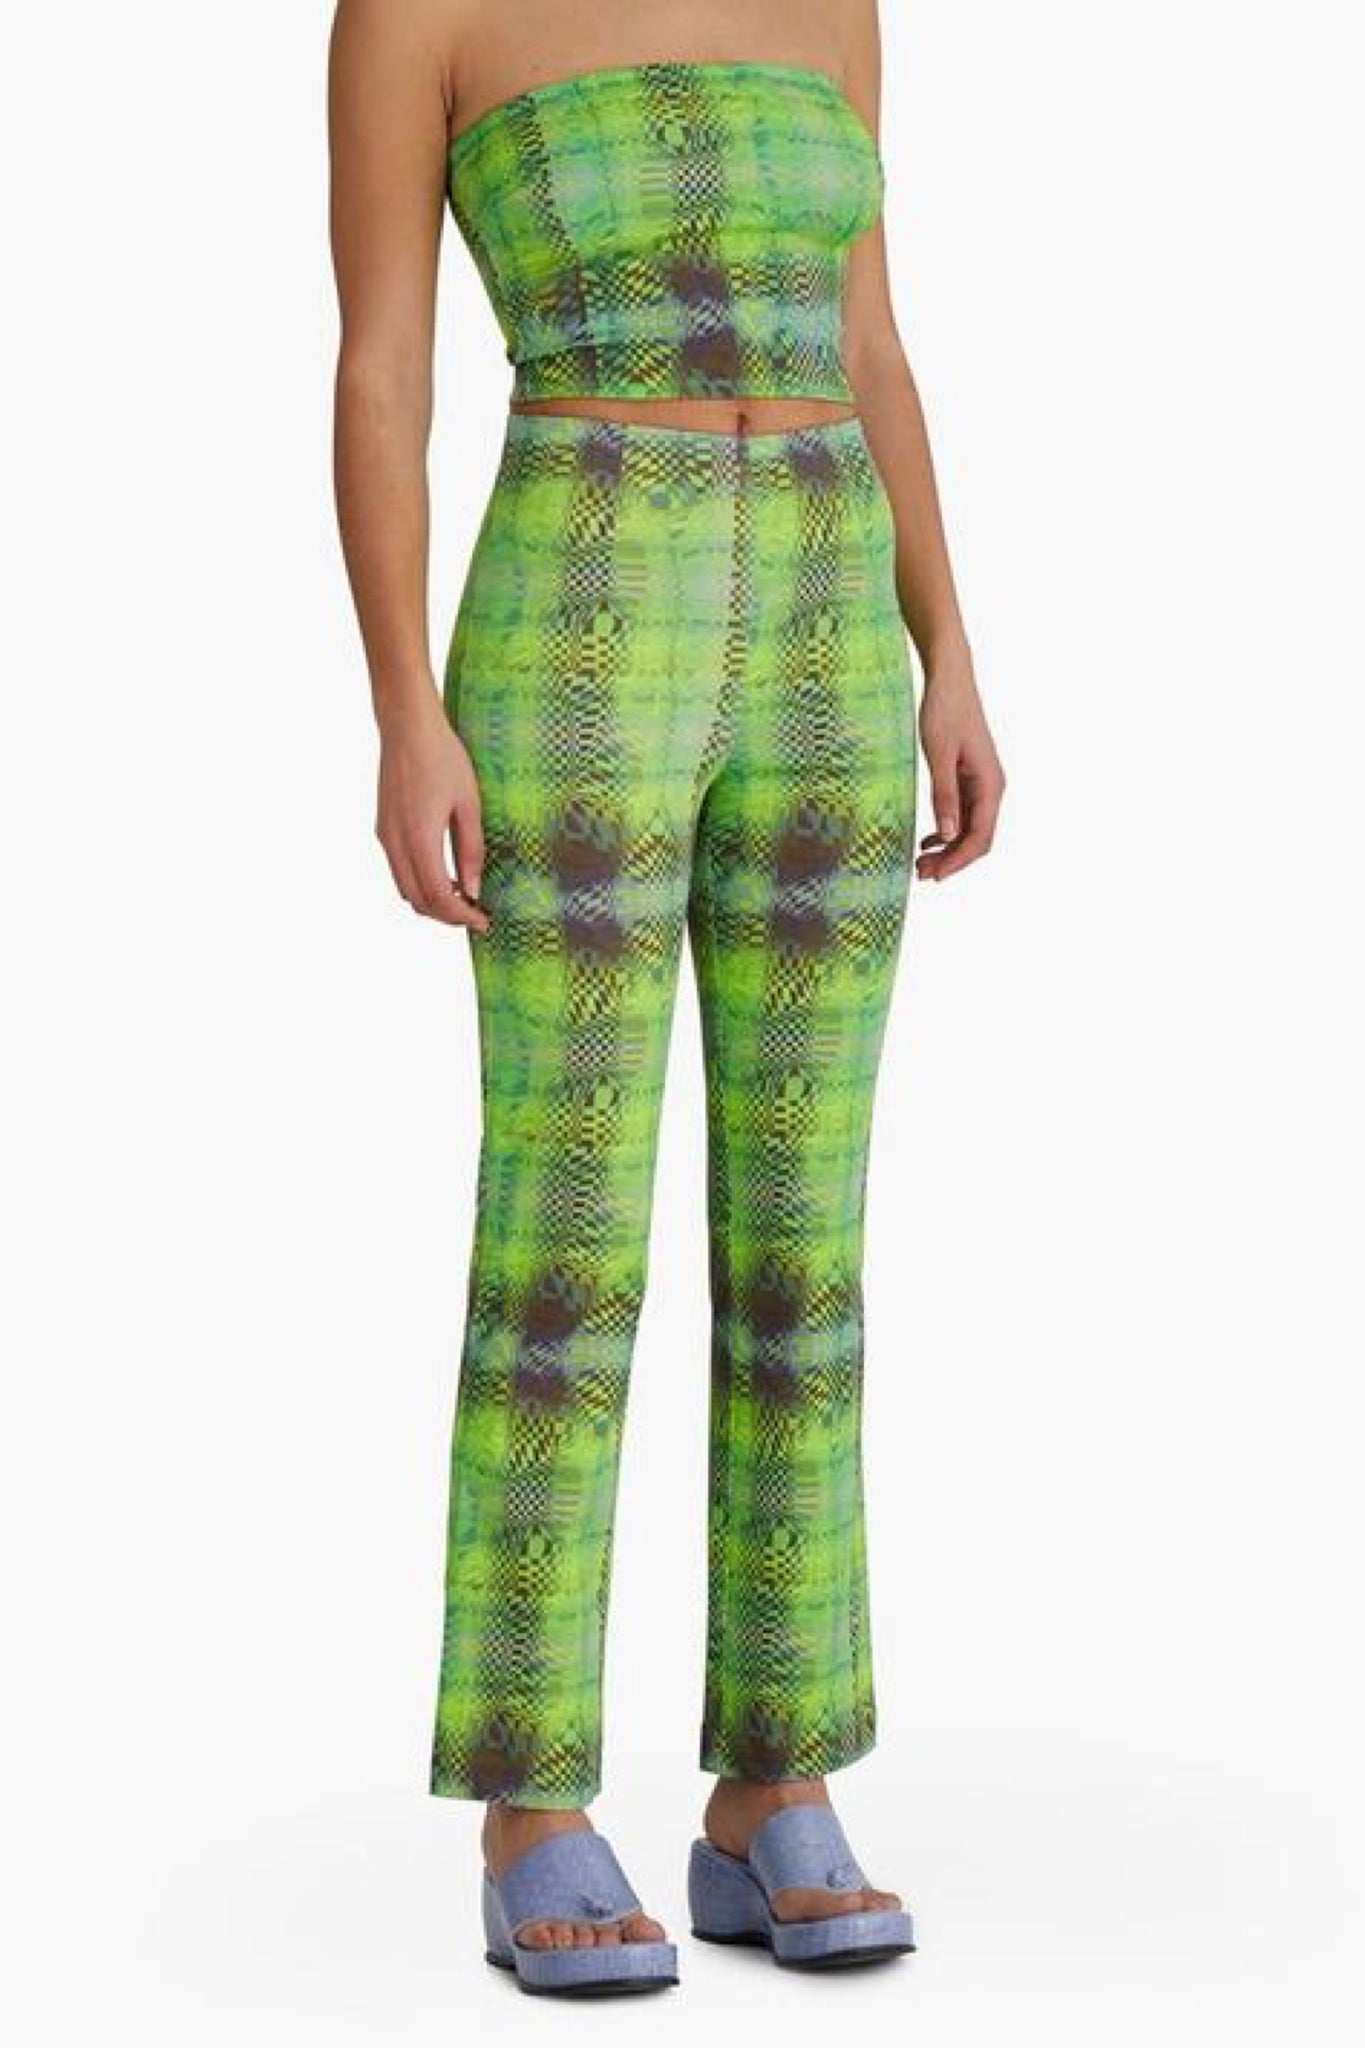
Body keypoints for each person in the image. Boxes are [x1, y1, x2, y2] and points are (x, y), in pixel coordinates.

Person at [328, 0, 1004, 1996]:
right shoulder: (418, 13)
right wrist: (401, 710)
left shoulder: (834, 8)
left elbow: (869, 343)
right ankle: (532, 1799)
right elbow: (382, 363)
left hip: (825, 611)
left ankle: (772, 1778)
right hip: (577, 598)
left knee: (806, 1244)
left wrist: (948, 654)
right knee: (563, 1236)